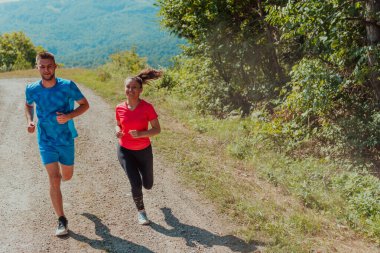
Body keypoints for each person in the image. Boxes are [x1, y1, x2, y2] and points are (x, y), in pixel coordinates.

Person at [25, 51, 90, 236]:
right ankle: (61, 219)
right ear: (37, 67)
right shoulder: (31, 89)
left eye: (49, 66)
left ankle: (63, 177)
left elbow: (85, 104)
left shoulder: (67, 86)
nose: (46, 70)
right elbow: (29, 104)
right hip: (45, 140)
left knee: (66, 176)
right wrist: (30, 120)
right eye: (42, 66)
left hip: (65, 139)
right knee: (54, 178)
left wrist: (69, 116)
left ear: (55, 66)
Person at [115, 69, 162, 225]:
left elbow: (157, 129)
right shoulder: (119, 108)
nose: (131, 90)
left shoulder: (147, 107)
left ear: (140, 90)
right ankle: (141, 212)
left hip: (143, 151)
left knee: (148, 184)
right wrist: (118, 132)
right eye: (128, 87)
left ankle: (145, 180)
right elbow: (118, 125)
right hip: (125, 150)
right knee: (135, 183)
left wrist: (141, 134)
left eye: (134, 87)